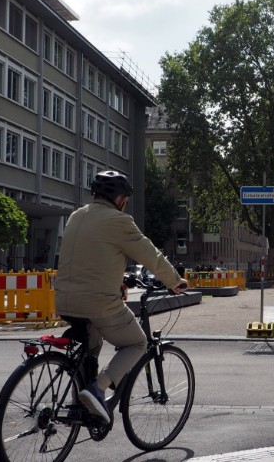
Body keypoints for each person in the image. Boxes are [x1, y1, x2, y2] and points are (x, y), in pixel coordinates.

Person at [54, 170, 188, 424]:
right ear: (120, 199)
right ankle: (97, 388)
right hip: (98, 303)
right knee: (136, 343)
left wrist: (121, 276)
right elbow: (150, 255)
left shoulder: (76, 216)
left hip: (64, 301)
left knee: (90, 348)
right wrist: (175, 281)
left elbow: (92, 256)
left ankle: (78, 407)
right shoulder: (119, 220)